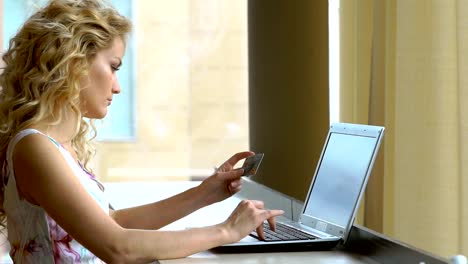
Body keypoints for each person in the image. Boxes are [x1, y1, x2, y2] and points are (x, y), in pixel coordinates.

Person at [0, 0, 283, 263]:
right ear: (73, 62)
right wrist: (227, 231)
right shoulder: (34, 148)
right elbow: (118, 247)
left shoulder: (56, 147)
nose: (117, 86)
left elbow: (113, 223)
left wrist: (204, 193)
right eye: (112, 67)